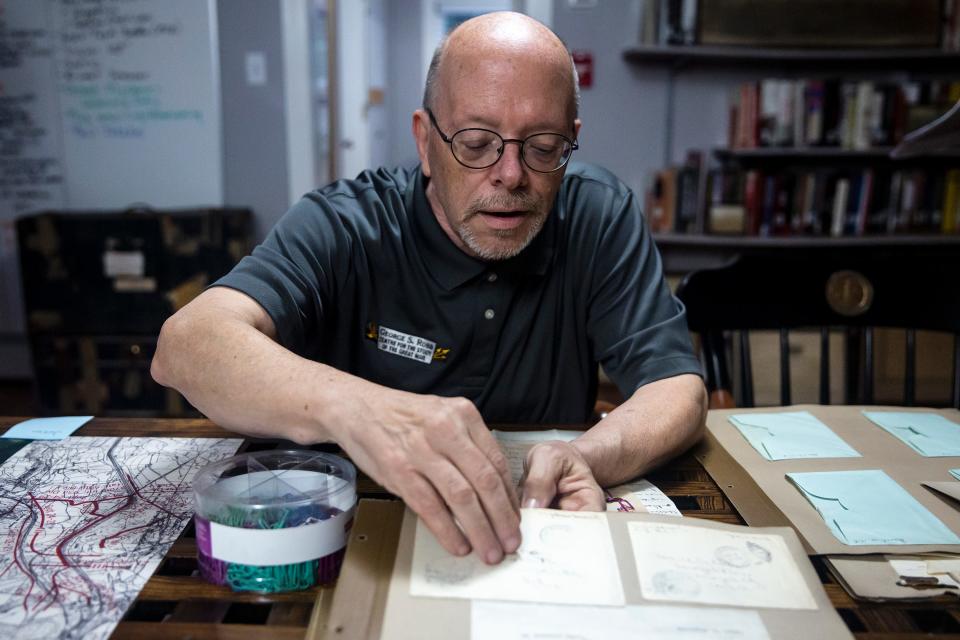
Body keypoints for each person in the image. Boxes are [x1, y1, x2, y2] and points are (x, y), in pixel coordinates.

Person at [151, 11, 706, 566]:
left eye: (541, 146)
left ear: (571, 142)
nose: (510, 174)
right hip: (353, 538)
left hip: (537, 544)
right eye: (475, 141)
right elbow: (187, 344)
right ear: (424, 140)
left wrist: (583, 456)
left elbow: (678, 389)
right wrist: (359, 409)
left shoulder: (597, 214)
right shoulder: (347, 224)